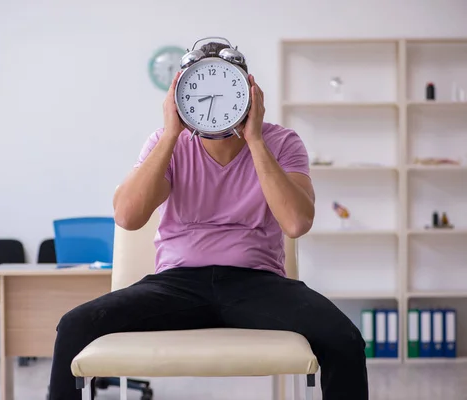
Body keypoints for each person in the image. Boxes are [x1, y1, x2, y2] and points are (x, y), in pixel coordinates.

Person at [48, 42, 368, 400]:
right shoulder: (167, 144)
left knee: (345, 339)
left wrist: (256, 140)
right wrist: (171, 133)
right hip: (176, 284)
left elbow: (296, 223)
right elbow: (127, 216)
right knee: (74, 326)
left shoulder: (281, 143)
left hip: (258, 284)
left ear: (249, 92)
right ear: (181, 97)